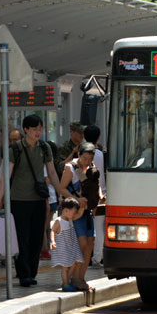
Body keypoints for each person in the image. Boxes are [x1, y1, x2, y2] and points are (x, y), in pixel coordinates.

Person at [0, 115, 61, 287]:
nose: (38, 132)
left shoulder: (45, 148)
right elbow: (6, 176)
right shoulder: (15, 148)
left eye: (40, 129)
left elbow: (52, 173)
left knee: (37, 238)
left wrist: (62, 192)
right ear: (26, 130)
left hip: (39, 199)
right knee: (22, 237)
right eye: (34, 129)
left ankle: (32, 271)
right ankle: (24, 273)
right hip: (19, 199)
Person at [59, 142, 101, 291]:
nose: (86, 162)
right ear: (79, 155)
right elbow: (61, 188)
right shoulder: (70, 168)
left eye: (89, 159)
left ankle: (81, 278)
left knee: (90, 243)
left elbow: (96, 186)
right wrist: (77, 200)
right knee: (81, 245)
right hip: (74, 213)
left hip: (87, 211)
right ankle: (74, 278)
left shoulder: (91, 169)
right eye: (84, 158)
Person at [83, 125, 107, 267]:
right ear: (98, 137)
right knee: (99, 227)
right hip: (101, 195)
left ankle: (85, 255)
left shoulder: (81, 154)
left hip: (85, 194)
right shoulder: (101, 154)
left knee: (84, 227)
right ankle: (97, 257)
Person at [50, 197, 85, 292]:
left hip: (70, 246)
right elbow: (52, 231)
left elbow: (79, 215)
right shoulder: (59, 221)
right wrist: (53, 241)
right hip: (63, 247)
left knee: (73, 264)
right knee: (65, 267)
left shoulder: (69, 219)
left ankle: (66, 282)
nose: (74, 214)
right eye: (73, 212)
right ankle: (65, 284)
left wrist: (82, 207)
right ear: (66, 210)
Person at [41, 141, 60, 260]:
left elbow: (46, 182)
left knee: (43, 227)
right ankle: (45, 249)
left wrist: (46, 201)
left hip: (48, 199)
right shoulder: (52, 165)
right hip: (53, 199)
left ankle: (44, 250)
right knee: (45, 226)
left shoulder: (43, 165)